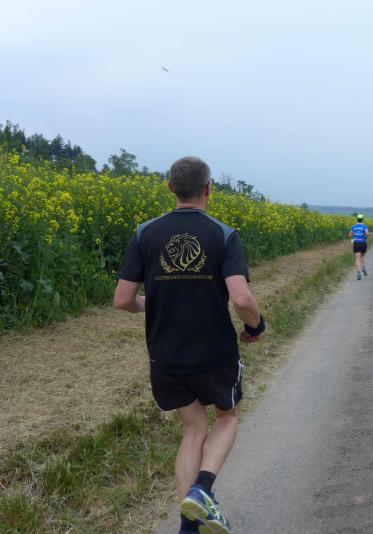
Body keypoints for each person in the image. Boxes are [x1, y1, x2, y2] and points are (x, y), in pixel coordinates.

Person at [114, 156, 265, 534]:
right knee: (227, 418)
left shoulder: (145, 233)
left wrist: (150, 304)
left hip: (165, 354)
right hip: (214, 353)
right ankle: (203, 488)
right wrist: (256, 326)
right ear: (208, 189)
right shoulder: (223, 234)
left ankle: (188, 527)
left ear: (170, 188)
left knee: (193, 431)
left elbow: (123, 299)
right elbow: (242, 298)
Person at [349, 214, 369, 280]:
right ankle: (363, 268)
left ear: (357, 219)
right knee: (362, 257)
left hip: (356, 243)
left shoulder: (353, 226)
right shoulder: (365, 226)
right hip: (363, 243)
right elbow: (367, 233)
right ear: (362, 219)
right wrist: (365, 238)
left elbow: (350, 235)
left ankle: (358, 273)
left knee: (357, 258)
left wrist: (353, 238)